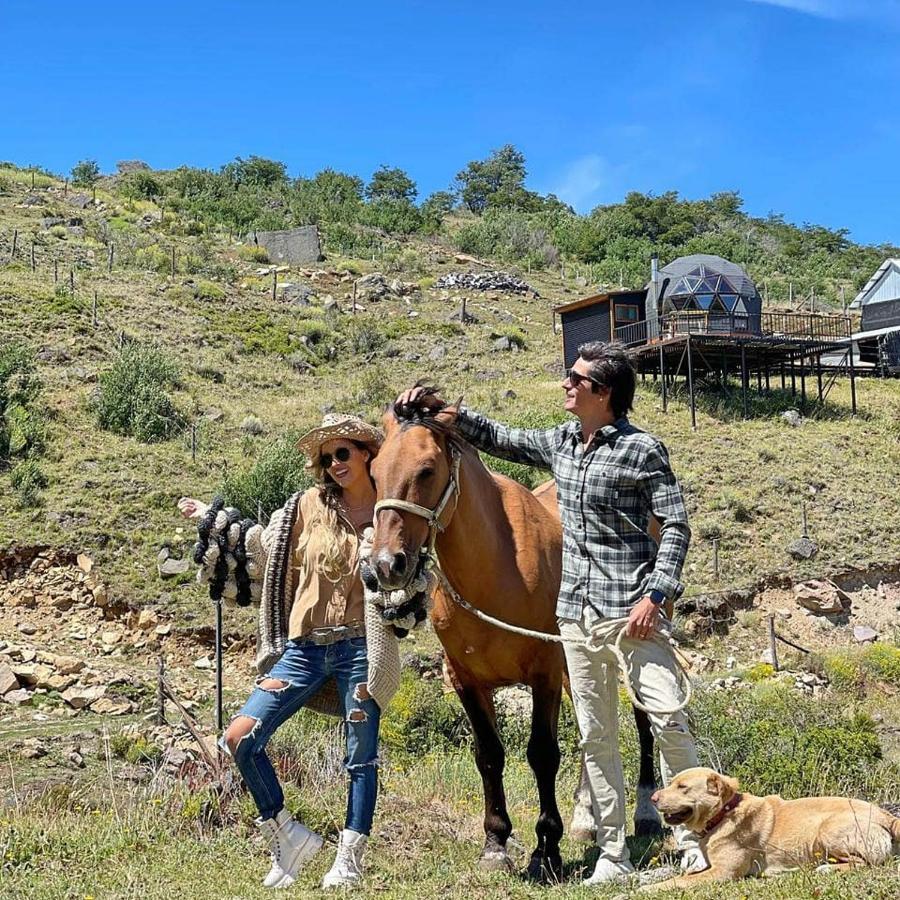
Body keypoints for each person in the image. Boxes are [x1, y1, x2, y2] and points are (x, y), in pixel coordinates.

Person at [397, 341, 705, 885]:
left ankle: (696, 836)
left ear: (603, 393)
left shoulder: (643, 450)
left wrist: (656, 595)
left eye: (576, 378)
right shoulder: (562, 442)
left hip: (633, 612)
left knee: (667, 719)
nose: (567, 383)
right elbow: (503, 439)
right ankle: (613, 854)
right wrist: (447, 414)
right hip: (577, 617)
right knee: (595, 736)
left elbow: (676, 525)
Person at [178, 413, 385, 890]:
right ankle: (285, 832)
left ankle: (349, 859)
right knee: (240, 737)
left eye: (343, 453)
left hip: (360, 647)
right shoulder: (305, 507)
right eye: (325, 457)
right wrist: (214, 520)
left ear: (366, 453)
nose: (334, 464)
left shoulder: (389, 512)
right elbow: (265, 547)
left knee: (361, 755)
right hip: (304, 647)